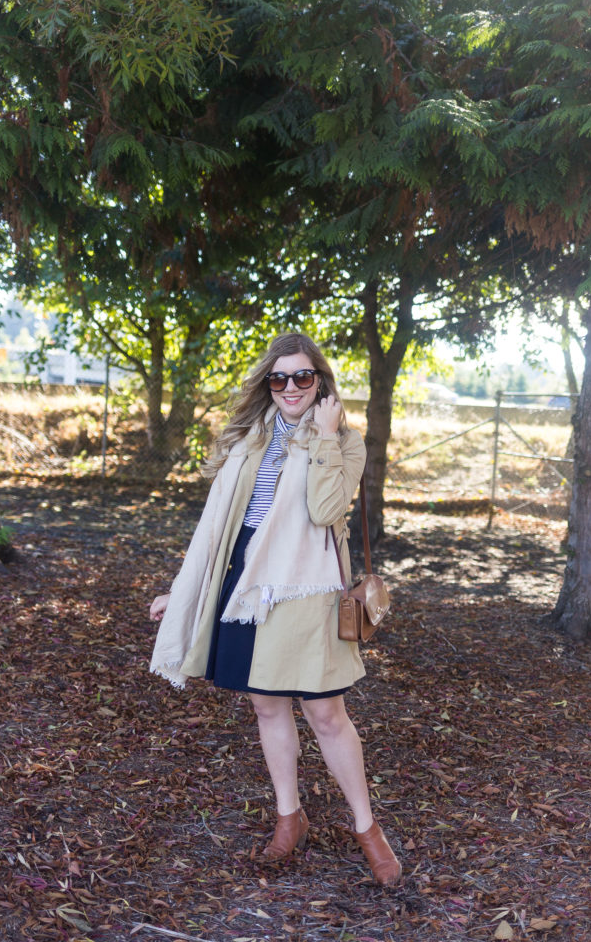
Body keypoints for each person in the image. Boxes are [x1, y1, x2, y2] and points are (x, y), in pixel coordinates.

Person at [149, 332, 401, 886]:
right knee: (267, 710)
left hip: (305, 592)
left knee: (327, 716)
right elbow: (219, 526)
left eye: (303, 377)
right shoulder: (249, 439)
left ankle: (367, 828)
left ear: (321, 383)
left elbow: (325, 508)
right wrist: (189, 590)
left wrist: (327, 438)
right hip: (243, 586)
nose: (291, 387)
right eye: (279, 378)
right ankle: (291, 818)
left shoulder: (345, 441)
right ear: (269, 383)